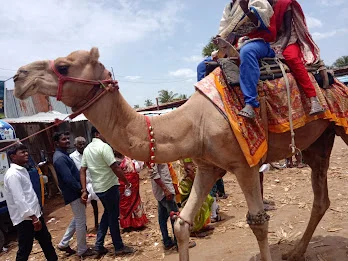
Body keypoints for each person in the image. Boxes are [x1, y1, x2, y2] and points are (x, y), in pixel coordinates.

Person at [216, 0, 277, 119]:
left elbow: (263, 21)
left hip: (260, 41)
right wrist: (219, 38)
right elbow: (224, 29)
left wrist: (247, 11)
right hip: (237, 44)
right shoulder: (229, 8)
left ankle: (250, 103)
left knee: (247, 52)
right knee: (204, 64)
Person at [80, 127, 135, 256]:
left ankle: (99, 245)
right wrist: (127, 182)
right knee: (113, 217)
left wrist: (84, 190)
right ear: (97, 134)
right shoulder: (104, 147)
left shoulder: (87, 149)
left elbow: (82, 170)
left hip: (98, 188)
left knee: (107, 214)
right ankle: (119, 247)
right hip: (110, 186)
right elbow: (115, 167)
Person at [4, 144, 58, 261]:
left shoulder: (22, 170)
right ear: (13, 157)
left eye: (26, 151)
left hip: (35, 215)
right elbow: (20, 199)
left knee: (46, 242)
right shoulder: (13, 174)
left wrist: (37, 215)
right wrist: (34, 218)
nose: (26, 154)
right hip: (26, 220)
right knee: (25, 250)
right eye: (22, 152)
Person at [271, 0, 324, 115]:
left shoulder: (284, 3)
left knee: (291, 58)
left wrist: (280, 49)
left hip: (287, 40)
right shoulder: (258, 7)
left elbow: (287, 32)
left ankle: (313, 99)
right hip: (269, 41)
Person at [53, 131, 94, 257]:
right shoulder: (60, 158)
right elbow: (68, 178)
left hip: (74, 192)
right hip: (74, 193)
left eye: (67, 138)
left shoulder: (63, 155)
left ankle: (64, 243)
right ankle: (82, 249)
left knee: (77, 217)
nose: (67, 141)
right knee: (81, 221)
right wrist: (81, 191)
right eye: (63, 139)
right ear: (56, 143)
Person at [149, 163, 196, 250]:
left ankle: (167, 241)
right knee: (175, 217)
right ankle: (179, 243)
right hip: (165, 192)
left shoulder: (153, 155)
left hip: (161, 192)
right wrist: (166, 190)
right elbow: (154, 174)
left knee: (162, 218)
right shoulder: (153, 156)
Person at [177, 159, 215, 237]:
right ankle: (193, 229)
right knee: (194, 203)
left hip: (190, 179)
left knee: (202, 202)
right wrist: (195, 180)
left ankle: (201, 226)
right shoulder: (187, 153)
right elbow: (188, 169)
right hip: (189, 181)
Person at [69, 136, 99, 230]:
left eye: (83, 144)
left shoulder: (88, 153)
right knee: (83, 207)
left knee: (95, 204)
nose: (82, 146)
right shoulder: (72, 157)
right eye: (79, 144)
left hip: (92, 182)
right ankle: (84, 226)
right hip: (82, 185)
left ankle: (96, 224)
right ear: (75, 145)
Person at [114, 151, 148, 230]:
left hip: (134, 184)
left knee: (136, 202)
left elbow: (138, 167)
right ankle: (127, 224)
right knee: (124, 204)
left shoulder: (127, 157)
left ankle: (138, 223)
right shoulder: (114, 161)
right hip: (123, 186)